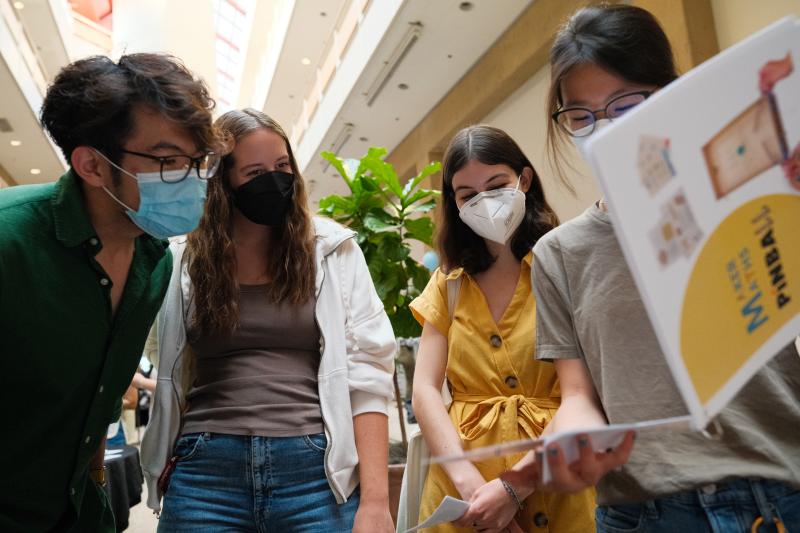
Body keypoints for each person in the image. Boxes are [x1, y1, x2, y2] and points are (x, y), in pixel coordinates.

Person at [502, 5, 800, 532]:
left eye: (626, 103)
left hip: (778, 492)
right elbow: (577, 397)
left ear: (669, 94)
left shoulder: (747, 184)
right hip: (647, 513)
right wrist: (571, 440)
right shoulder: (558, 255)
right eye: (580, 116)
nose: (603, 129)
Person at [140, 108, 397, 532]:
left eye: (282, 166)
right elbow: (158, 353)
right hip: (206, 470)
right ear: (223, 182)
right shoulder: (183, 258)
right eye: (255, 172)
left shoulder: (331, 249)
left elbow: (368, 373)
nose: (274, 181)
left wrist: (375, 502)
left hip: (313, 470)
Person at [0, 53, 219, 531]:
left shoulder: (154, 260)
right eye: (167, 160)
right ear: (92, 165)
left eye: (198, 160)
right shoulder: (9, 241)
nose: (191, 177)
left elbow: (96, 395)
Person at [411, 125, 595, 533]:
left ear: (524, 180)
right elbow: (424, 389)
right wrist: (471, 488)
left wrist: (511, 490)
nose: (485, 203)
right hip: (462, 496)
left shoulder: (563, 265)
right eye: (468, 196)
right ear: (454, 204)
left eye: (497, 185)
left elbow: (580, 395)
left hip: (557, 482)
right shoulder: (449, 281)